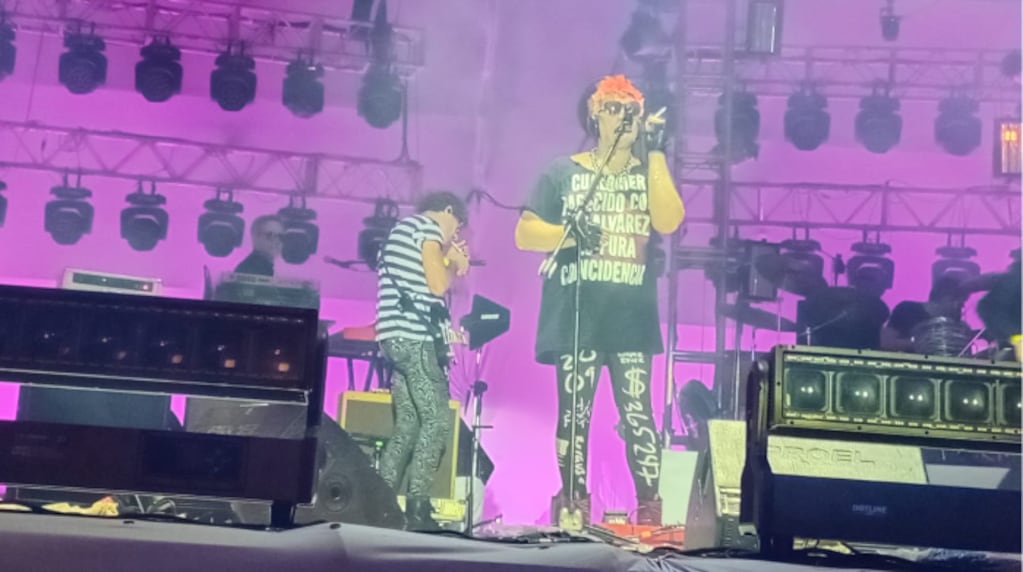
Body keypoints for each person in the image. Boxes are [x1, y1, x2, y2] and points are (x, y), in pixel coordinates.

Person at [514, 75, 685, 527]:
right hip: (579, 316)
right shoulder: (562, 172)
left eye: (631, 109)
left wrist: (656, 153)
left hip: (631, 318)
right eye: (612, 107)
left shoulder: (647, 172)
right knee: (575, 416)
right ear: (595, 115)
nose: (622, 116)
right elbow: (525, 233)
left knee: (639, 416)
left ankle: (649, 512)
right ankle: (573, 508)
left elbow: (669, 220)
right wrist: (570, 235)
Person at [375, 191, 470, 530]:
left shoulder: (400, 231)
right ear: (448, 211)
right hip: (414, 340)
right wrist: (453, 262)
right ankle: (418, 509)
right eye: (457, 226)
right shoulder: (425, 228)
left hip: (393, 338)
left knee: (408, 426)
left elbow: (421, 283)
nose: (454, 234)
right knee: (437, 421)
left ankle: (379, 504)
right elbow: (437, 284)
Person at [881, 275, 968, 352]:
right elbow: (886, 342)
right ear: (947, 299)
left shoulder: (958, 325)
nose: (961, 309)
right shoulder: (907, 309)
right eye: (960, 304)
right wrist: (922, 344)